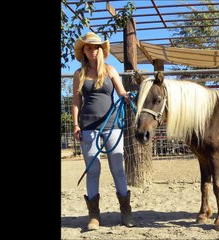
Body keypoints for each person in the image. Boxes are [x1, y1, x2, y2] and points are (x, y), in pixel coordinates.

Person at [72, 32, 135, 230]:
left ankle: (125, 211)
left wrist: (126, 96)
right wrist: (75, 124)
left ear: (101, 50)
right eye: (89, 47)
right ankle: (94, 215)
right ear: (84, 50)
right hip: (88, 127)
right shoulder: (79, 74)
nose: (93, 50)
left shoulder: (110, 70)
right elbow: (76, 102)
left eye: (96, 47)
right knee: (93, 171)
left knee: (118, 169)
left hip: (112, 126)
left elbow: (121, 91)